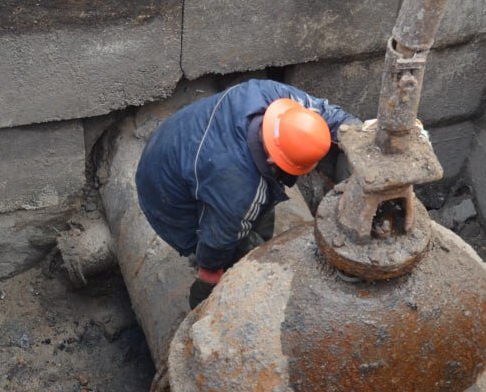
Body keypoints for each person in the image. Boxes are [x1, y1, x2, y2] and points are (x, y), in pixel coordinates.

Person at [135, 79, 362, 308]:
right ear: (274, 159)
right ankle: (209, 300)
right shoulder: (240, 191)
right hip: (164, 197)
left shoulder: (267, 94)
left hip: (170, 142)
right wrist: (210, 272)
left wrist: (358, 133)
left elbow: (322, 112)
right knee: (229, 244)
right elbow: (218, 240)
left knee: (254, 212)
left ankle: (257, 240)